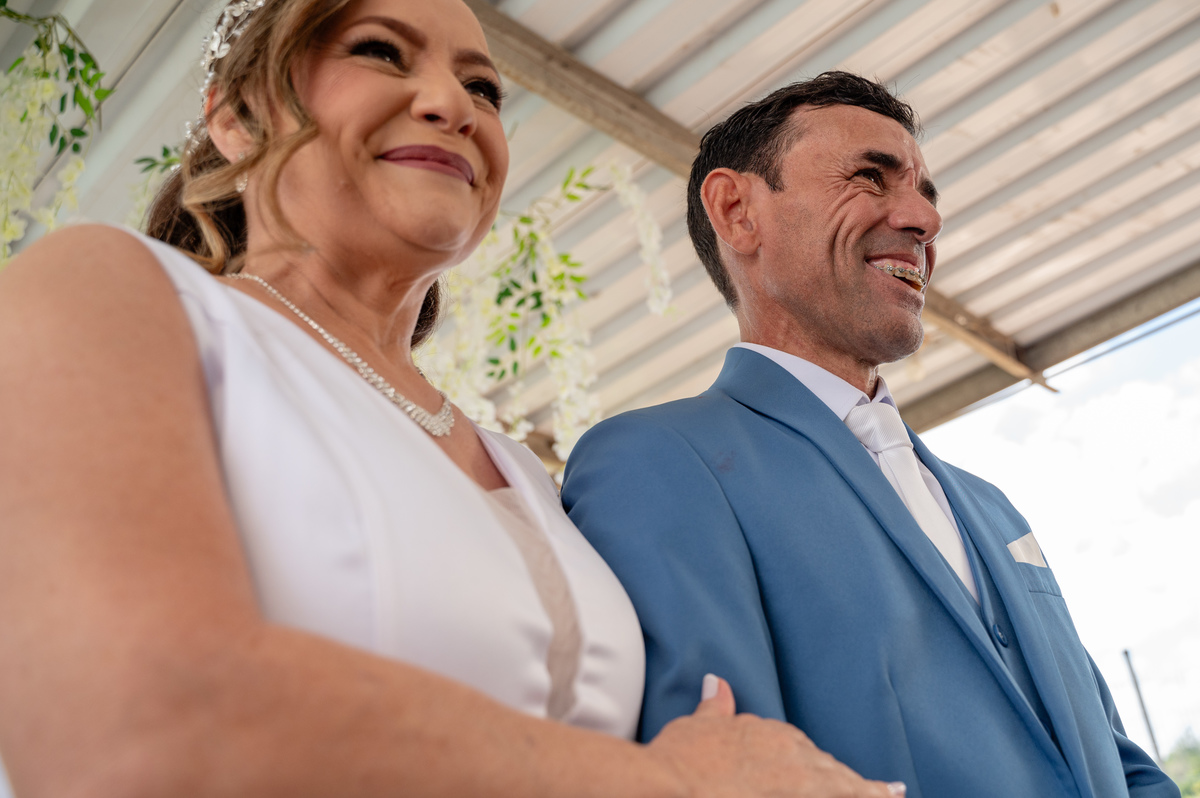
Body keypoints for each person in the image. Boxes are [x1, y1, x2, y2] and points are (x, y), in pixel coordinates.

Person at [0, 2, 906, 796]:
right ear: (237, 120)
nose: (452, 104)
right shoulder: (114, 294)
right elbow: (124, 728)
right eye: (379, 51)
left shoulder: (525, 471)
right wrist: (673, 784)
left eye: (483, 87)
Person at [561, 71, 1181, 798]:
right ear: (736, 211)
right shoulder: (658, 462)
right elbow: (730, 773)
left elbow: (1115, 760)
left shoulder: (992, 507)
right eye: (869, 178)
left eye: (926, 193)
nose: (925, 219)